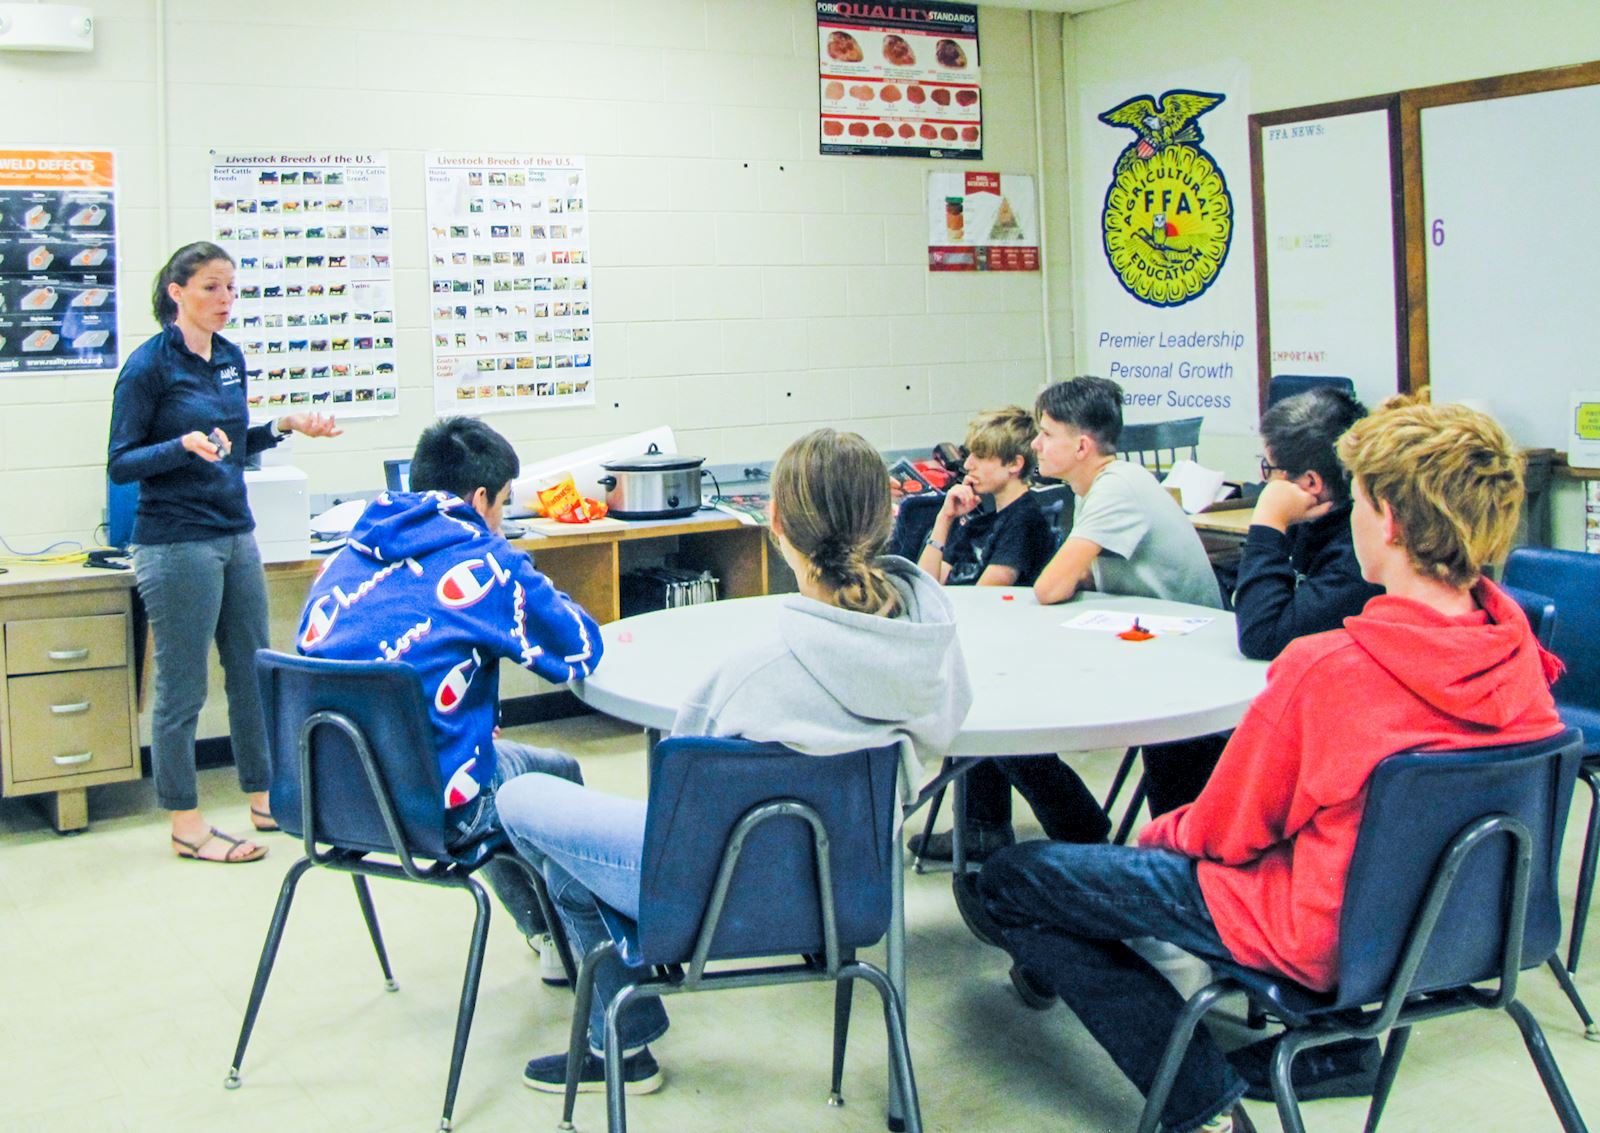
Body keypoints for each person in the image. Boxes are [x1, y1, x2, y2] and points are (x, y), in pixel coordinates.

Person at [969, 397, 1563, 1133]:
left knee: (1011, 881)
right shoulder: (1521, 656)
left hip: (1316, 929)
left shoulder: (1331, 669)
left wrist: (1140, 850)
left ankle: (1201, 1099)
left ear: (1389, 523)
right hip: (1473, 927)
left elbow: (1223, 834)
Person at [496, 428, 974, 1097]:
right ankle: (616, 1025)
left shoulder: (755, 673)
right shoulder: (933, 641)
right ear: (889, 515)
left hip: (710, 900)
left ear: (774, 524)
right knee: (565, 856)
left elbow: (680, 793)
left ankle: (623, 1036)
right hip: (853, 896)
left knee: (522, 802)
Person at [296, 417, 600, 969]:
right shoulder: (487, 561)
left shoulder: (344, 558)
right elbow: (580, 648)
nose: (502, 519)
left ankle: (548, 937)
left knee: (493, 769)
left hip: (329, 799)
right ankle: (582, 964)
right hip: (437, 809)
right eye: (505, 504)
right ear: (480, 498)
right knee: (556, 779)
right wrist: (516, 564)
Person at [108, 241, 341, 864]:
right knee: (182, 688)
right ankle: (186, 822)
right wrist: (180, 445)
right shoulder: (148, 366)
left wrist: (284, 427)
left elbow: (233, 445)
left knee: (252, 670)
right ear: (176, 292)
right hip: (175, 542)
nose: (225, 300)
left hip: (236, 532)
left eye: (232, 289)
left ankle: (263, 799)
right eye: (212, 287)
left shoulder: (229, 358)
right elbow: (121, 462)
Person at [941, 377, 1224, 867]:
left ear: (1082, 445)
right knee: (997, 704)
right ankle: (1069, 823)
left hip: (1181, 672)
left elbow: (1053, 587)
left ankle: (1076, 826)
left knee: (1007, 712)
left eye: (1046, 434)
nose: (1036, 444)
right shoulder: (1095, 488)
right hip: (1147, 652)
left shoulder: (1117, 488)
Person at [1140, 387, 1384, 818]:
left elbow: (1261, 635)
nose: (1263, 478)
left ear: (1309, 484)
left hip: (1321, 730)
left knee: (1178, 734)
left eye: (1268, 468)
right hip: (1299, 700)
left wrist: (1268, 520)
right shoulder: (1317, 520)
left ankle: (1179, 863)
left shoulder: (1356, 552)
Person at [908, 406, 1058, 863]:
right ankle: (980, 828)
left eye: (981, 456)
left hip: (1011, 652)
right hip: (973, 642)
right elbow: (926, 585)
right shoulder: (981, 518)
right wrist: (944, 521)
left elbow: (989, 592)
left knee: (996, 735)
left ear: (1014, 465)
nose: (968, 465)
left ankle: (1059, 821)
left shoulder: (1024, 518)